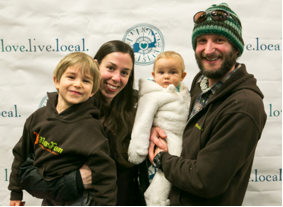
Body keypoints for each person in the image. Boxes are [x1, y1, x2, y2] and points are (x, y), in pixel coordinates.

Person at [149, 3, 267, 206]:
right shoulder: (199, 82)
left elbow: (205, 180)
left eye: (219, 40)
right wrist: (156, 129)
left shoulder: (243, 107)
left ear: (236, 48)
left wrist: (161, 159)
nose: (208, 50)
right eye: (202, 41)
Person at [16, 40, 149, 206]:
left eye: (125, 73)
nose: (116, 78)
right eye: (110, 68)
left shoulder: (140, 112)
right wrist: (76, 180)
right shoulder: (61, 113)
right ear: (95, 66)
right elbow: (27, 174)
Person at [8, 52, 117, 206]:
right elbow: (20, 155)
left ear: (93, 91)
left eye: (86, 81)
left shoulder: (92, 129)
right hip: (49, 197)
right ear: (57, 81)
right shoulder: (37, 117)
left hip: (79, 200)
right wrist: (15, 192)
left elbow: (105, 177)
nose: (78, 84)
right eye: (71, 77)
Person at [128, 51, 190, 206]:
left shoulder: (184, 93)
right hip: (165, 139)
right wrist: (137, 149)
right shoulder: (151, 95)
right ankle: (155, 199)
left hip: (183, 138)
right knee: (164, 174)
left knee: (178, 173)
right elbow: (142, 121)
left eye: (173, 72)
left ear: (182, 76)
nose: (166, 76)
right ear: (153, 74)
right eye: (161, 72)